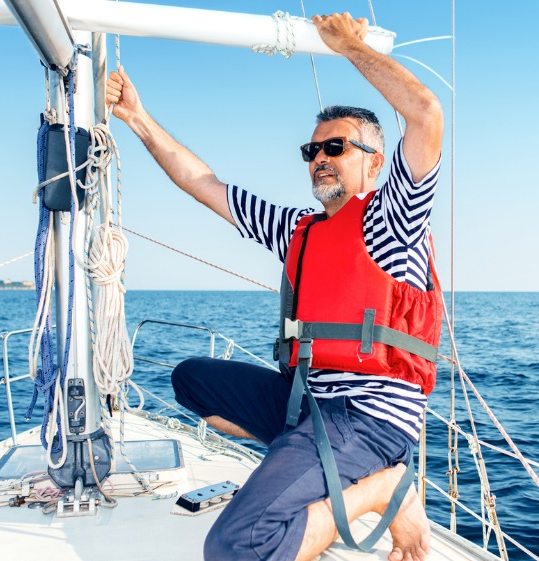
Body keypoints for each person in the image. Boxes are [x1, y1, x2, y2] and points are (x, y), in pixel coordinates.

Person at [106, 12, 443, 561]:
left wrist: (347, 45)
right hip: (307, 402)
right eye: (312, 152)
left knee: (239, 546)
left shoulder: (392, 220)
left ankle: (382, 486)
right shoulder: (298, 230)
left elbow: (426, 113)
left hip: (367, 419)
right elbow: (202, 183)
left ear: (374, 162)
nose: (319, 160)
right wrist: (136, 117)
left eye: (335, 148)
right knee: (191, 380)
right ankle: (301, 462)